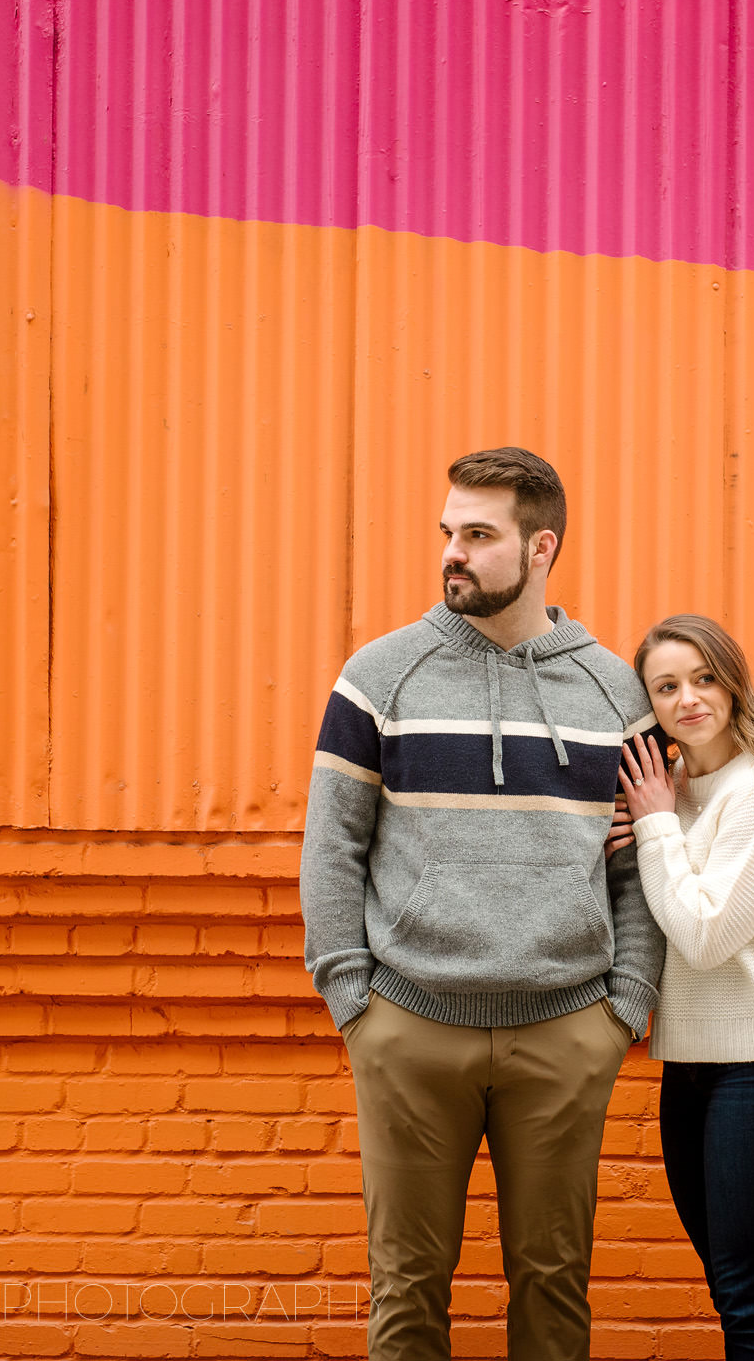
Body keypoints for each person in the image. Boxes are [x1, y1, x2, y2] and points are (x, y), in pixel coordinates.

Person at [300, 447, 669, 1361]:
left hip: (564, 1030)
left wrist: (622, 1005)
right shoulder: (381, 675)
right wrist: (353, 996)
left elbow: (637, 862)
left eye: (478, 534)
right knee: (406, 1287)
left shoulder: (612, 688)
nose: (451, 553)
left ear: (540, 546)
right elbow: (332, 844)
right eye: (447, 533)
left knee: (553, 1285)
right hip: (409, 1027)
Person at [606, 614, 754, 1360]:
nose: (689, 698)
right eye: (666, 686)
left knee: (747, 1292)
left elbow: (703, 936)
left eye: (704, 677)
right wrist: (649, 826)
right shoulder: (671, 789)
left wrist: (655, 832)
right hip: (692, 1069)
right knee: (730, 1283)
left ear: (733, 682)